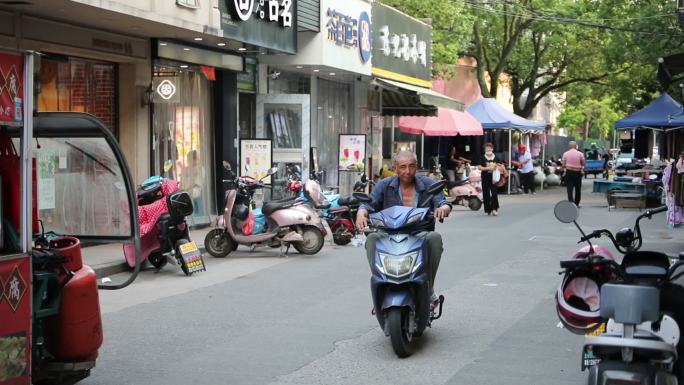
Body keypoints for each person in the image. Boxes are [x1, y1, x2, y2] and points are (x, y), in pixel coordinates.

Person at [356, 150, 452, 304]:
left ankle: (428, 288)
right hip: (390, 235)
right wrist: (361, 213)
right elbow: (368, 203)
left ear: (417, 167)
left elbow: (442, 202)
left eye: (411, 166)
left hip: (419, 234)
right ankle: (381, 282)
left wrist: (443, 209)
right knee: (372, 238)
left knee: (434, 238)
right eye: (403, 167)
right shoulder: (384, 185)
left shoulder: (429, 184)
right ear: (395, 168)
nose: (407, 171)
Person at [478, 143, 501, 215]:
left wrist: (497, 167)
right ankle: (488, 210)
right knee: (486, 194)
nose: (488, 149)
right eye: (486, 148)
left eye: (489, 148)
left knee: (494, 193)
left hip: (493, 178)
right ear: (484, 150)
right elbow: (479, 167)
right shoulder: (482, 157)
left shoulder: (495, 157)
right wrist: (488, 168)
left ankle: (495, 208)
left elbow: (500, 165)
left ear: (492, 149)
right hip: (485, 177)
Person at [562, 141, 585, 207]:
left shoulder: (565, 154)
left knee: (569, 189)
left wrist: (566, 165)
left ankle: (571, 203)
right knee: (578, 188)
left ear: (569, 146)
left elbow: (563, 164)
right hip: (578, 173)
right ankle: (577, 203)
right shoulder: (580, 154)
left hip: (569, 172)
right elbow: (583, 163)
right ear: (576, 146)